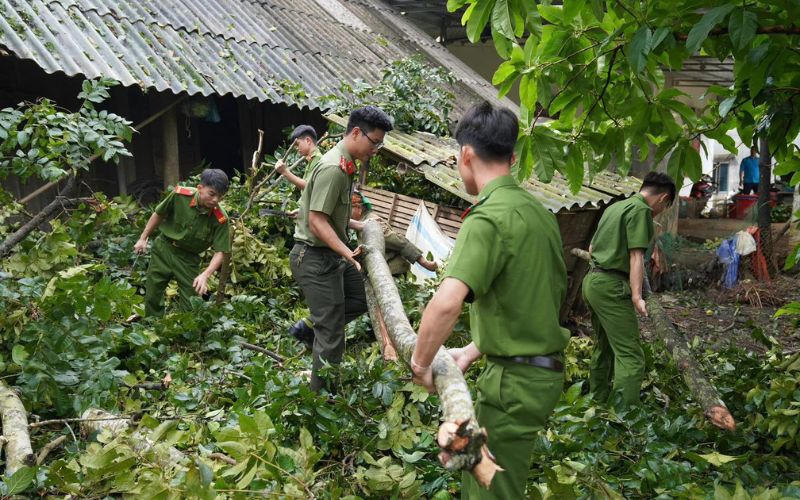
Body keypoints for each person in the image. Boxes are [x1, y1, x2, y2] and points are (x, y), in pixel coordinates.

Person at [409, 102, 569, 499]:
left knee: (492, 489)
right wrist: (473, 349)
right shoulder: (540, 214)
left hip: (513, 384)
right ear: (512, 157)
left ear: (465, 154)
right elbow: (533, 296)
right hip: (538, 375)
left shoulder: (487, 218)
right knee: (481, 472)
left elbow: (447, 302)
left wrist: (420, 362)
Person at [289, 105, 393, 392]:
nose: (376, 148)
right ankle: (320, 400)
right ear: (357, 133)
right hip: (313, 256)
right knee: (333, 335)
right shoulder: (334, 168)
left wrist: (359, 227)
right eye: (375, 142)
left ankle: (313, 327)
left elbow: (331, 213)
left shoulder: (346, 165)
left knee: (360, 298)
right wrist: (347, 252)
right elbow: (316, 220)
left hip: (330, 254)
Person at [290, 190, 439, 358]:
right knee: (345, 299)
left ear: (358, 208)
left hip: (390, 272)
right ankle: (311, 327)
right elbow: (331, 221)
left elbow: (398, 240)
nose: (344, 213)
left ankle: (312, 327)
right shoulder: (356, 221)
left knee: (371, 305)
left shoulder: (372, 221)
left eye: (347, 209)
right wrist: (305, 214)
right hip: (368, 269)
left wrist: (421, 260)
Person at [583, 172, 675, 407]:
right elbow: (636, 257)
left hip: (592, 282)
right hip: (611, 287)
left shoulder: (615, 207)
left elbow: (592, 247)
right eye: (664, 208)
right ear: (663, 199)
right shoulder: (641, 211)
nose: (660, 213)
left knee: (604, 346)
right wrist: (636, 296)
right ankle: (625, 416)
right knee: (631, 356)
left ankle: (597, 401)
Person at [134, 169, 231, 316]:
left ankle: (184, 336)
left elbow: (221, 252)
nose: (216, 200)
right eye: (212, 194)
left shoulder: (220, 218)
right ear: (200, 188)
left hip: (188, 259)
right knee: (153, 295)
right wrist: (143, 238)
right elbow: (159, 214)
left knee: (191, 305)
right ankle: (153, 328)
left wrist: (205, 275)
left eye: (220, 196)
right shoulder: (180, 195)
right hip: (164, 249)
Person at [274, 124, 323, 191]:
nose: (296, 148)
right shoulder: (311, 159)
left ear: (308, 141)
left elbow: (307, 186)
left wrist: (285, 171)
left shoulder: (317, 158)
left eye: (297, 144)